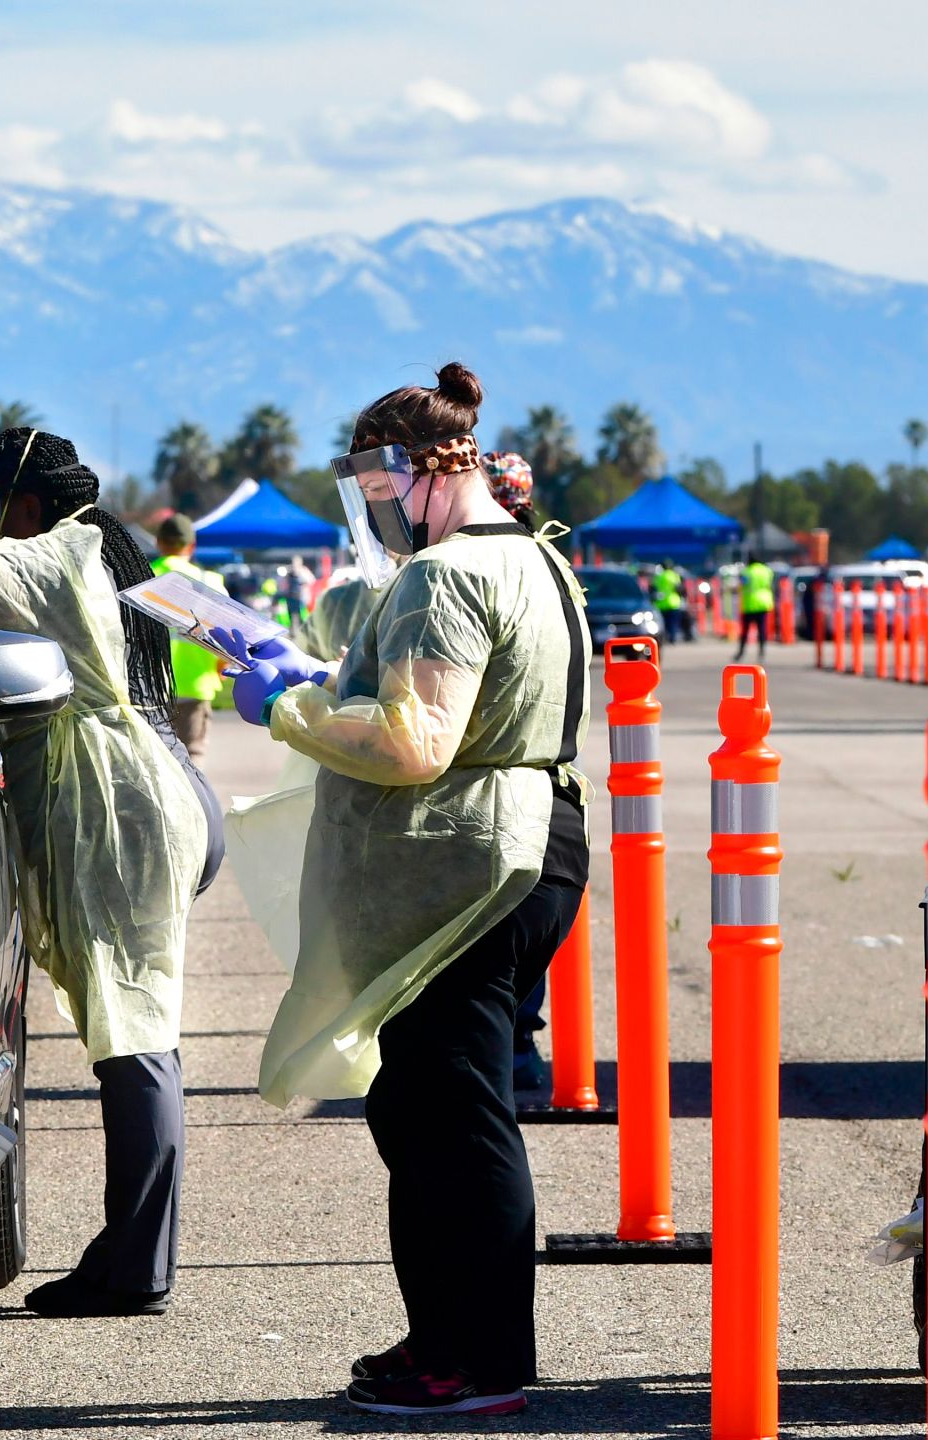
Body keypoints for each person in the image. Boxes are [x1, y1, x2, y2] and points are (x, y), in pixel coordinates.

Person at [219, 361, 588, 1417]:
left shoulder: (447, 575)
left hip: (470, 863)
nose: (375, 519)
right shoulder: (534, 556)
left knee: (454, 1118)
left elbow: (411, 741)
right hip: (528, 846)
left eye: (376, 497)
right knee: (420, 1107)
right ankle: (443, 1338)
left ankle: (478, 1363)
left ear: (412, 473)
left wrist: (286, 707)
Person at [0, 427, 210, 1317]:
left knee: (134, 1037)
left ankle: (137, 1265)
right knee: (134, 1029)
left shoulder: (53, 558)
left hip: (119, 812)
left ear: (27, 506)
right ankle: (133, 1251)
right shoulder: (100, 550)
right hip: (149, 795)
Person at [150, 514, 226, 759]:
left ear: (159, 543)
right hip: (196, 684)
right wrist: (221, 668)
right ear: (191, 546)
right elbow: (225, 636)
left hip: (151, 686)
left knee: (158, 758)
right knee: (192, 757)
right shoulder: (209, 582)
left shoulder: (142, 577)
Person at [733, 551, 775, 660]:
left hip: (750, 604)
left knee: (745, 631)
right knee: (762, 630)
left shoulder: (746, 572)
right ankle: (762, 653)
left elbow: (741, 585)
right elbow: (770, 584)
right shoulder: (766, 571)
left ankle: (741, 652)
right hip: (763, 603)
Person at [652, 561, 691, 643]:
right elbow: (680, 589)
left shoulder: (659, 577)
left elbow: (653, 589)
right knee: (673, 623)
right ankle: (672, 639)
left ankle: (665, 638)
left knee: (664, 624)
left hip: (661, 604)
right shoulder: (674, 576)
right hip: (674, 603)